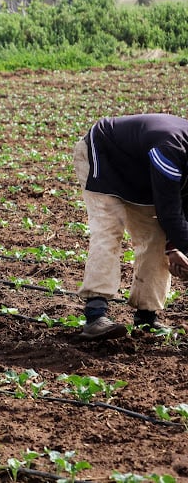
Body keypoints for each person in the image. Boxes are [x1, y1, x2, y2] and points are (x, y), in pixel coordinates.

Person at [73, 113, 188, 341]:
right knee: (108, 230)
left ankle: (146, 316)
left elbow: (182, 207)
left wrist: (174, 248)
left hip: (141, 173)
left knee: (155, 237)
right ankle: (95, 314)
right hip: (104, 156)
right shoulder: (171, 148)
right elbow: (169, 212)